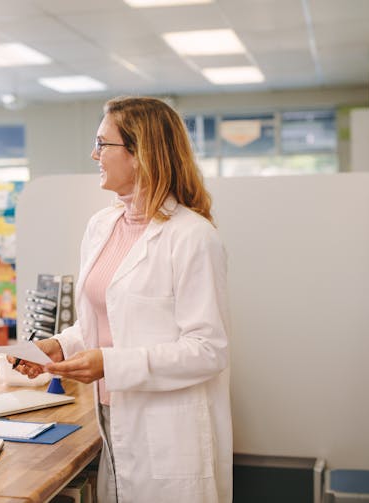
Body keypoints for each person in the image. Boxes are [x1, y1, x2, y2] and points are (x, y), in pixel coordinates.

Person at [15, 97, 232, 502]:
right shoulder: (102, 226)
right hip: (113, 415)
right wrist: (57, 346)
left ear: (140, 153)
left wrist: (108, 363)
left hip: (169, 428)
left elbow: (208, 350)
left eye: (103, 144)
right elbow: (102, 321)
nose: (94, 154)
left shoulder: (193, 236)